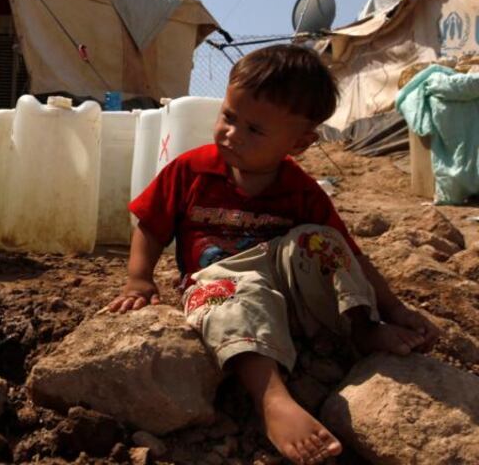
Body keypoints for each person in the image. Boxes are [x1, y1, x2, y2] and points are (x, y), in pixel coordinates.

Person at [107, 44, 440, 465]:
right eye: (229, 117)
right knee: (230, 292)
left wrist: (393, 308)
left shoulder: (301, 189)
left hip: (287, 297)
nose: (231, 134)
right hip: (220, 283)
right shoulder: (191, 170)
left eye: (254, 130)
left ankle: (361, 328)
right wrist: (139, 278)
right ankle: (271, 399)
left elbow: (345, 253)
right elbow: (151, 225)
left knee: (322, 238)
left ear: (299, 142)